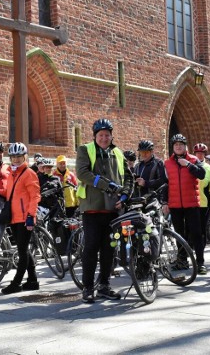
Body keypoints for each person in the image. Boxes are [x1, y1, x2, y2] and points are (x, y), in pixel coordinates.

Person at [76, 118, 134, 303]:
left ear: (111, 136)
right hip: (92, 208)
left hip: (112, 209)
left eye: (107, 135)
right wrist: (106, 185)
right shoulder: (85, 149)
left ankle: (104, 285)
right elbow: (82, 173)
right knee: (91, 248)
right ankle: (87, 288)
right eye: (100, 135)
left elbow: (128, 178)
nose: (104, 138)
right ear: (95, 136)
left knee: (109, 249)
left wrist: (124, 196)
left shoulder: (117, 152)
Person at [162, 134, 207, 274]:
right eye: (176, 145)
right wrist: (164, 202)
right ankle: (182, 260)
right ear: (173, 147)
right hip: (175, 205)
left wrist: (188, 165)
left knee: (196, 234)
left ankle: (200, 263)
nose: (178, 147)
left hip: (192, 203)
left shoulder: (193, 160)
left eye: (181, 144)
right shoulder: (167, 163)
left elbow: (202, 174)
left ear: (185, 146)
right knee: (179, 234)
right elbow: (165, 184)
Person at [1, 142, 41, 294]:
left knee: (22, 251)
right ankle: (32, 280)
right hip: (14, 218)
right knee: (23, 249)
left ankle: (16, 282)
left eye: (19, 157)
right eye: (13, 157)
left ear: (25, 157)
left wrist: (31, 216)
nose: (16, 160)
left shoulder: (29, 173)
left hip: (25, 218)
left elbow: (35, 196)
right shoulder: (12, 173)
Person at [193, 143, 210, 248]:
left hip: (204, 203)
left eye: (201, 153)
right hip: (191, 202)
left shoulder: (209, 169)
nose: (199, 155)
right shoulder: (189, 165)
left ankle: (201, 248)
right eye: (197, 153)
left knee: (202, 227)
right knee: (191, 227)